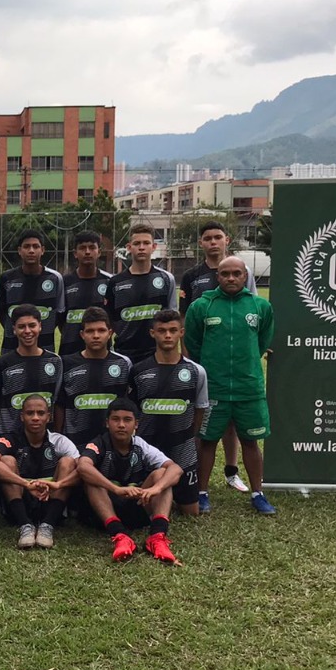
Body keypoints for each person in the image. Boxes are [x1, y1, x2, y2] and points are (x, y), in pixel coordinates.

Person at [184, 254, 277, 516]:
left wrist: (246, 363)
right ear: (218, 277)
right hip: (214, 388)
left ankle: (258, 494)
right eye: (225, 274)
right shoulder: (202, 306)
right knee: (207, 441)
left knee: (251, 441)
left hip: (249, 388)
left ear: (245, 276)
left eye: (237, 273)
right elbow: (193, 343)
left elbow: (262, 341)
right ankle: (201, 493)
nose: (231, 278)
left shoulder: (260, 306)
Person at [179, 220, 259, 496]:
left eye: (218, 237)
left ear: (227, 240)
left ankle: (231, 471)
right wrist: (188, 357)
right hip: (203, 359)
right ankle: (196, 478)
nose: (213, 242)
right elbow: (185, 319)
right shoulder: (192, 276)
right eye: (208, 238)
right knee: (203, 415)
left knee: (232, 420)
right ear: (201, 243)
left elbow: (253, 312)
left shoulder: (242, 270)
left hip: (235, 363)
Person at [78, 397, 182, 564]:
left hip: (137, 505)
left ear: (136, 424)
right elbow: (83, 466)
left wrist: (155, 489)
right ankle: (119, 536)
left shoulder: (141, 445)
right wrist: (116, 489)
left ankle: (157, 537)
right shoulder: (99, 443)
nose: (121, 425)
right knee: (91, 479)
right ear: (107, 423)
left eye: (127, 420)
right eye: (116, 419)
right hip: (107, 509)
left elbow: (176, 469)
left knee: (162, 474)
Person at [128, 310, 207, 517]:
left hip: (182, 450)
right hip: (149, 449)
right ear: (152, 333)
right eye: (162, 331)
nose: (168, 335)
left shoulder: (196, 371)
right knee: (141, 509)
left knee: (191, 512)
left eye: (173, 330)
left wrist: (190, 437)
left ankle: (172, 493)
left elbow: (200, 409)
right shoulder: (138, 371)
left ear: (181, 332)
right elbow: (131, 411)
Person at [0, 394, 80, 550]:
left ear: (48, 417)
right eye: (30, 413)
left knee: (68, 462)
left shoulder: (59, 440)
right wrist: (25, 484)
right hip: (21, 500)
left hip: (50, 499)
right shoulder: (10, 439)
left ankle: (48, 525)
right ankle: (24, 525)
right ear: (22, 416)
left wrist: (59, 484)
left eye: (40, 413)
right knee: (6, 461)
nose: (35, 418)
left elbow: (83, 469)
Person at [54, 307, 131, 450]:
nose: (96, 335)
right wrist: (58, 437)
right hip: (75, 444)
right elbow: (59, 404)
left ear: (110, 333)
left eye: (101, 330)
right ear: (82, 334)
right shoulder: (66, 363)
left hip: (112, 445)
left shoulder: (123, 364)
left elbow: (129, 403)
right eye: (90, 331)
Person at [106, 224, 177, 363]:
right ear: (129, 247)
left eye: (146, 243)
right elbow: (110, 321)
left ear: (154, 247)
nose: (141, 247)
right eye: (137, 243)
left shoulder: (166, 279)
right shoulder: (116, 282)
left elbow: (172, 318)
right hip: (125, 353)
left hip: (156, 353)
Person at [0, 304, 63, 439]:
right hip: (10, 436)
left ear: (40, 326)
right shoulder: (2, 363)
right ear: (14, 329)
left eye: (32, 325)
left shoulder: (54, 361)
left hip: (45, 437)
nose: (27, 331)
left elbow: (57, 400)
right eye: (21, 326)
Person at [0, 228, 66, 354]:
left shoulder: (55, 278)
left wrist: (45, 327)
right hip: (11, 348)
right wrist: (15, 329)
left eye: (35, 246)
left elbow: (60, 313)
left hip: (45, 347)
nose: (31, 250)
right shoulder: (6, 278)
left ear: (42, 250)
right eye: (26, 246)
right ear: (19, 250)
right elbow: (1, 313)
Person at [59, 231, 114, 356]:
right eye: (82, 248)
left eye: (92, 247)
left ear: (99, 252)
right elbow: (60, 319)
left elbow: (114, 317)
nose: (87, 252)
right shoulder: (64, 282)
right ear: (75, 253)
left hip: (102, 353)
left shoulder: (109, 281)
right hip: (70, 351)